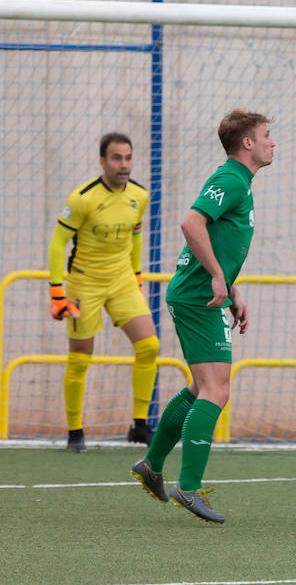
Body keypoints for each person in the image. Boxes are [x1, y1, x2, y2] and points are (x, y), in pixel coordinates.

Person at [130, 110, 274, 524]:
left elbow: (217, 239)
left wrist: (230, 289)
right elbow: (191, 223)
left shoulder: (238, 181)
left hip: (202, 295)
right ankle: (188, 488)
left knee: (201, 387)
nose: (272, 142)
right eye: (266, 135)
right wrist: (215, 278)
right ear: (247, 142)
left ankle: (151, 465)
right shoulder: (230, 179)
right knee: (217, 389)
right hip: (196, 298)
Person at [47, 132, 158, 452]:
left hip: (122, 281)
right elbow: (57, 244)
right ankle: (75, 433)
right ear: (102, 161)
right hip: (85, 284)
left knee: (149, 346)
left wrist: (136, 276)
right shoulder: (82, 198)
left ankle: (139, 426)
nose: (123, 165)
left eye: (128, 158)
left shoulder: (140, 195)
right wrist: (57, 292)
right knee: (81, 357)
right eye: (116, 158)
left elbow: (135, 237)